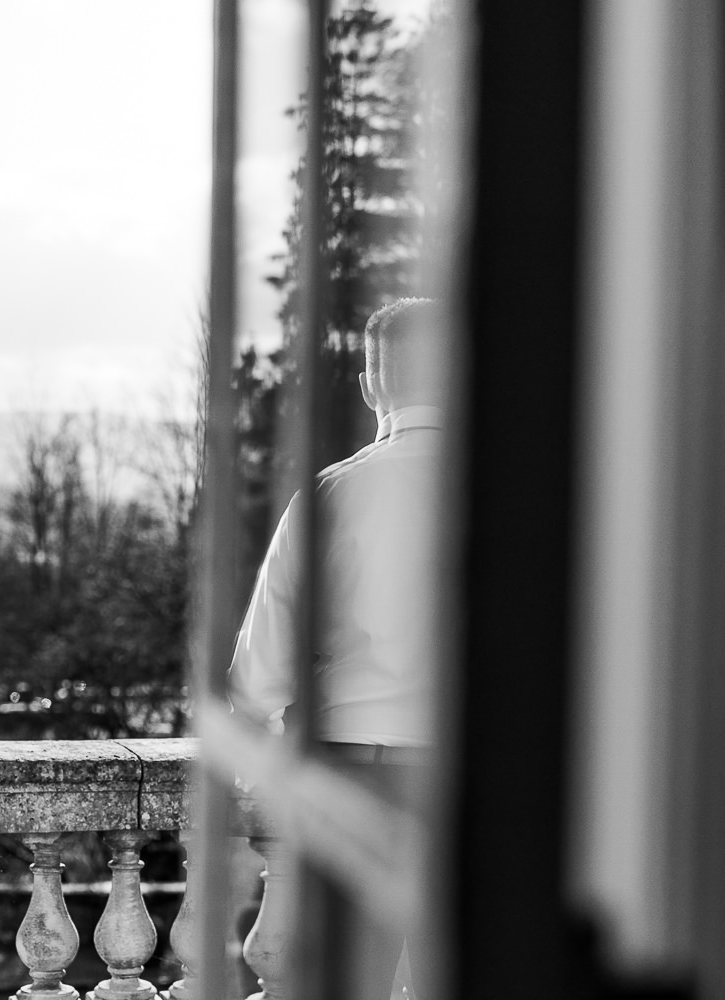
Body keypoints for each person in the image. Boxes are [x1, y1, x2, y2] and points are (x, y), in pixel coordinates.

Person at [229, 297, 444, 1000]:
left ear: (369, 385)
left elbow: (257, 679)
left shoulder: (327, 497)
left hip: (349, 777)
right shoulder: (515, 496)